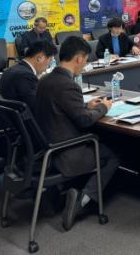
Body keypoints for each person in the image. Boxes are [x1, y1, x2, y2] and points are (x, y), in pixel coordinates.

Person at [35, 37, 118, 232]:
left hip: (46, 148)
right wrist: (104, 107)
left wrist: (85, 105)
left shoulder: (45, 79)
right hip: (67, 151)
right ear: (79, 58)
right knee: (113, 155)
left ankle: (58, 195)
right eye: (86, 60)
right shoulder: (68, 84)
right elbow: (84, 121)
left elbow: (59, 108)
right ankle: (82, 200)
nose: (85, 64)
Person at [0, 40, 57, 112]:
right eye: (49, 61)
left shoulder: (10, 70)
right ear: (39, 58)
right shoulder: (26, 76)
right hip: (22, 118)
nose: (48, 67)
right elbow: (38, 107)